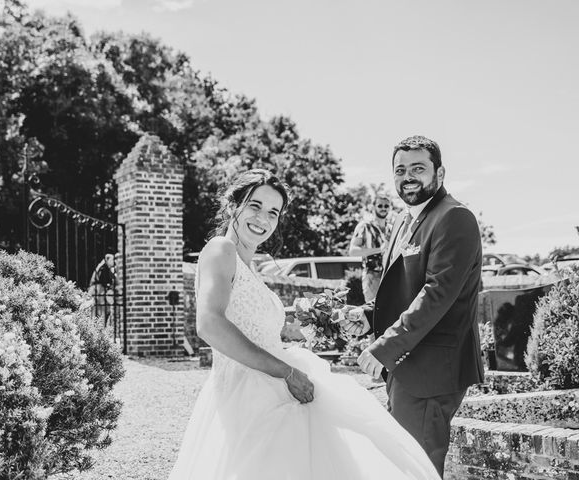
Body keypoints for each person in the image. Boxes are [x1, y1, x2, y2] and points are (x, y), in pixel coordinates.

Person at [168, 168, 440, 480]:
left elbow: (253, 329)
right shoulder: (221, 249)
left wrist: (316, 325)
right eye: (254, 206)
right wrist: (286, 371)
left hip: (270, 383)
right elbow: (210, 324)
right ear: (233, 205)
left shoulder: (249, 265)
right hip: (246, 396)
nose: (263, 219)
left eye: (273, 212)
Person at [355, 136, 484, 477]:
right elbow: (403, 289)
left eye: (418, 168)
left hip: (433, 370)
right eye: (400, 170)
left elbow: (437, 293)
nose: (408, 176)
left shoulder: (455, 217)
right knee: (401, 466)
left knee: (417, 469)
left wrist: (385, 346)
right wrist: (367, 316)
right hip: (406, 367)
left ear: (439, 173)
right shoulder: (401, 221)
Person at [349, 193, 394, 302]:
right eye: (380, 205)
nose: (383, 208)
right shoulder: (364, 226)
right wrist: (380, 249)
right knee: (373, 311)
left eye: (386, 206)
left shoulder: (392, 228)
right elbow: (353, 251)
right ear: (373, 207)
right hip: (371, 275)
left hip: (390, 275)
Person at [88, 253, 117, 325]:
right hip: (99, 290)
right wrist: (108, 285)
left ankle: (99, 324)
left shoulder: (103, 266)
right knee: (101, 309)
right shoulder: (103, 268)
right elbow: (103, 280)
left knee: (99, 309)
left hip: (98, 289)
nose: (114, 261)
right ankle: (101, 325)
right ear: (107, 260)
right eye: (112, 260)